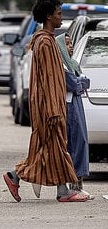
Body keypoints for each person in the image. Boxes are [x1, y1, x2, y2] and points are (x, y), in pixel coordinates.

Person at [4, 0, 82, 203]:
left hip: (49, 105)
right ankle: (60, 190)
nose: (61, 17)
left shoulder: (46, 41)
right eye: (58, 13)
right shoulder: (46, 43)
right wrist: (54, 109)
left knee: (50, 149)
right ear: (49, 16)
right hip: (49, 106)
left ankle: (18, 177)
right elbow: (48, 80)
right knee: (55, 147)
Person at [57, 33, 90, 200]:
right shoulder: (61, 66)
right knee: (74, 144)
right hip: (68, 108)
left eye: (71, 44)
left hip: (77, 106)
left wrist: (79, 83)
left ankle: (78, 186)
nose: (70, 47)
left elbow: (82, 83)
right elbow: (74, 83)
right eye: (67, 44)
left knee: (81, 142)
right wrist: (80, 83)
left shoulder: (73, 64)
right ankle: (73, 186)